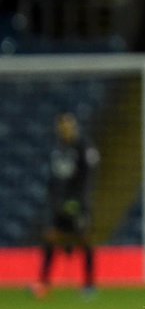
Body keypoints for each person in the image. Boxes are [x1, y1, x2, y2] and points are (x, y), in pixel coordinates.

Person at [33, 113, 99, 298]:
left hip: (78, 203)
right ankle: (44, 283)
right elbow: (54, 178)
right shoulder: (57, 149)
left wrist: (80, 201)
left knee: (84, 238)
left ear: (74, 127)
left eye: (68, 126)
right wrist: (54, 199)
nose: (65, 130)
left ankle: (89, 284)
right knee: (51, 237)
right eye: (62, 127)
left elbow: (88, 178)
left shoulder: (84, 148)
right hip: (59, 203)